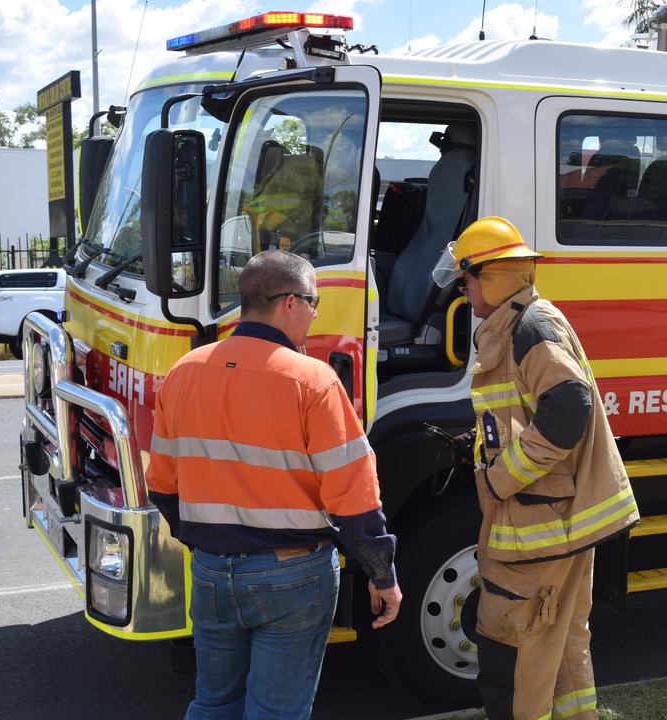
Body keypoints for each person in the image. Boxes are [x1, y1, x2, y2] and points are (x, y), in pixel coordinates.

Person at [147, 250, 401, 720]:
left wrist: (211, 542)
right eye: (313, 302)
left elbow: (162, 486)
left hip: (210, 572)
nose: (314, 314)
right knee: (277, 711)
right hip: (292, 575)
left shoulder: (183, 373)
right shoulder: (313, 381)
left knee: (213, 702)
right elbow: (354, 493)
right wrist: (381, 573)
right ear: (289, 303)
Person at [432, 217, 639, 720]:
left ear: (493, 277)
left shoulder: (530, 327)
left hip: (541, 527)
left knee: (515, 645)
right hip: (554, 521)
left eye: (469, 280)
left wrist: (502, 476)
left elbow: (568, 410)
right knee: (559, 641)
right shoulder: (522, 322)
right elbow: (529, 413)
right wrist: (482, 447)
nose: (465, 291)